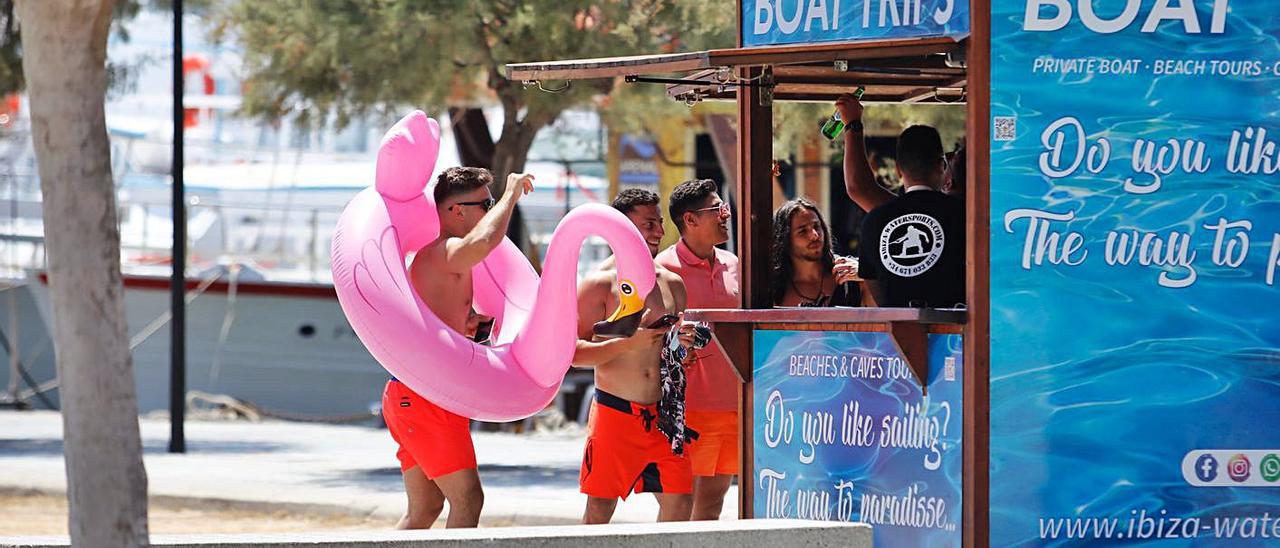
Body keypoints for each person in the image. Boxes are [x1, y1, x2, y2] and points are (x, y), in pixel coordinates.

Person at [382, 166, 534, 529]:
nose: (489, 208)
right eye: (485, 203)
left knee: (425, 508)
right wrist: (511, 195)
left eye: (491, 202)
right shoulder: (443, 251)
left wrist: (465, 325)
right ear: (455, 211)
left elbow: (432, 315)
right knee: (467, 497)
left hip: (419, 393)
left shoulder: (445, 258)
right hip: (423, 396)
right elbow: (481, 243)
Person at [573, 188, 699, 524]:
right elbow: (571, 353)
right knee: (600, 510)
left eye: (659, 223)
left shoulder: (672, 283)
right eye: (649, 224)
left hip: (664, 414)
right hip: (615, 412)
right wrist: (626, 344)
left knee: (680, 503)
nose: (660, 231)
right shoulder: (599, 284)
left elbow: (676, 355)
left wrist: (683, 346)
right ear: (622, 228)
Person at [654, 179, 741, 520]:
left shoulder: (735, 264)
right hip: (686, 408)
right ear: (689, 220)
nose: (725, 215)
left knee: (713, 504)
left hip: (734, 404)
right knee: (678, 506)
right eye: (716, 210)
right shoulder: (662, 268)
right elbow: (649, 337)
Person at [855, 125, 966, 308]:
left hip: (897, 331)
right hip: (955, 331)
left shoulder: (874, 220)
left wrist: (896, 313)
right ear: (942, 165)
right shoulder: (964, 215)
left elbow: (872, 281)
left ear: (898, 170)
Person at [770, 198, 861, 307]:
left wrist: (867, 275)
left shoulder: (850, 273)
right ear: (784, 240)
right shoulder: (775, 288)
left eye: (816, 226)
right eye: (802, 231)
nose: (815, 235)